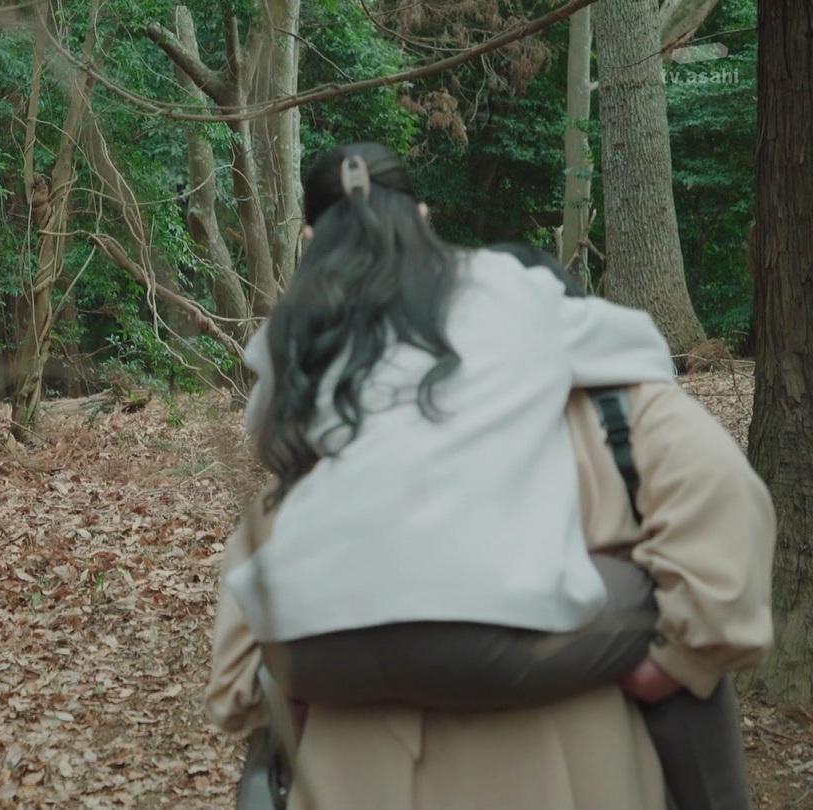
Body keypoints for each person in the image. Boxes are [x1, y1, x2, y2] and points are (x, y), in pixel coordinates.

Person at [219, 142, 773, 809]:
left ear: (312, 239)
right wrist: (684, 657)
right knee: (654, 598)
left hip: (349, 754)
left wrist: (280, 685)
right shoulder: (609, 393)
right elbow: (722, 495)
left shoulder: (336, 396)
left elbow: (249, 630)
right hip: (558, 750)